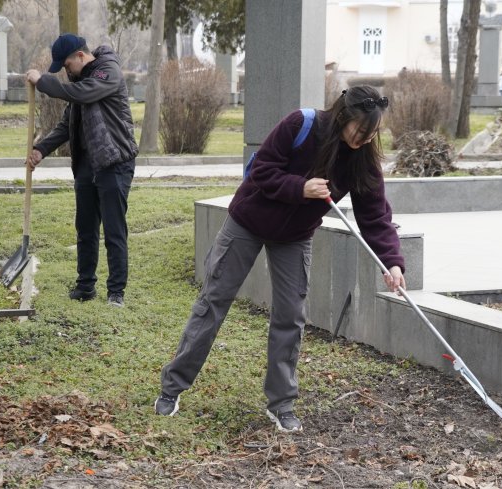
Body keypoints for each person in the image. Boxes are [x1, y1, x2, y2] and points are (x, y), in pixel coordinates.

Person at [154, 86, 407, 432]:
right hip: (247, 223)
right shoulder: (301, 124)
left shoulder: (363, 159)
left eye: (372, 134)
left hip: (295, 237)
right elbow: (262, 171)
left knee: (290, 316)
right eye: (360, 131)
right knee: (213, 301)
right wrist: (300, 187)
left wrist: (392, 262)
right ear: (344, 117)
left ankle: (281, 403)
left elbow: (375, 216)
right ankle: (173, 386)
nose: (364, 140)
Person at [26, 34, 138, 307]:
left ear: (80, 55)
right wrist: (41, 149)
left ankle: (116, 293)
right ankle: (85, 287)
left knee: (113, 230)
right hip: (88, 164)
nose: (66, 71)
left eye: (66, 65)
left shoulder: (106, 71)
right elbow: (67, 124)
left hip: (114, 162)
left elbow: (81, 93)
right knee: (85, 228)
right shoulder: (80, 82)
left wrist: (43, 81)